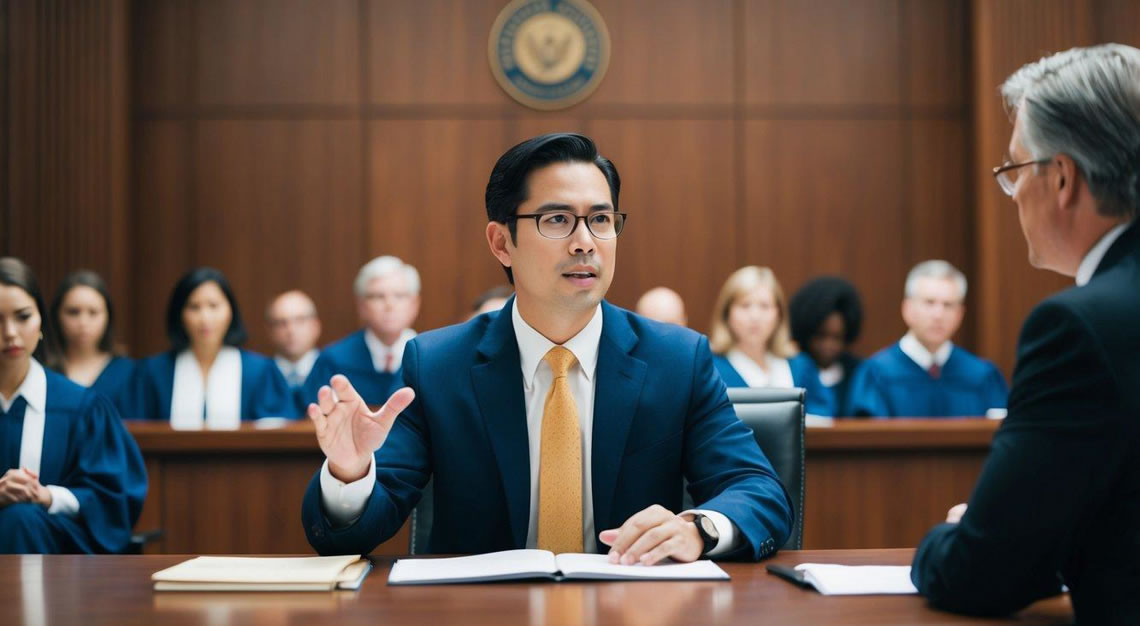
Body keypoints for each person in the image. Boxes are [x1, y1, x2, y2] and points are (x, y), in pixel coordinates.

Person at [302, 133, 792, 564]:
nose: (585, 242)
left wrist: (698, 529)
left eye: (601, 219)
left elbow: (761, 494)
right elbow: (351, 535)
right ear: (501, 242)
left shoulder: (676, 360)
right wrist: (350, 472)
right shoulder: (438, 366)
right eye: (558, 219)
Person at [911, 44, 1140, 623]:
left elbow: (978, 572)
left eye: (1013, 172)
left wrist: (953, 535)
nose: (1012, 198)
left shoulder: (1080, 328)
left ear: (1061, 177)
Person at [0, 258, 146, 553]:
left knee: (21, 519)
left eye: (23, 316)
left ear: (41, 319)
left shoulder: (81, 406)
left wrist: (47, 497)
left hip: (54, 555)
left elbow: (112, 498)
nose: (11, 332)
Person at [128, 267, 296, 426]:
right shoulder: (153, 372)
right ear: (179, 314)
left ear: (231, 311)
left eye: (214, 306)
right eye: (194, 307)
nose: (205, 318)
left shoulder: (259, 372)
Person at [847, 261, 1007, 417]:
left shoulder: (982, 375)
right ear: (907, 309)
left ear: (960, 314)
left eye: (948, 305)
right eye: (929, 303)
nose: (938, 315)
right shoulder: (877, 374)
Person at [320, 256, 420, 406]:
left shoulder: (431, 359)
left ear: (415, 304)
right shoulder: (333, 360)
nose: (389, 305)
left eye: (399, 296)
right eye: (378, 297)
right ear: (361, 306)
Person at [708, 266, 817, 397]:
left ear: (779, 314)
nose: (755, 316)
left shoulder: (800, 365)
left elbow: (823, 415)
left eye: (765, 306)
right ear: (727, 314)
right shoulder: (710, 369)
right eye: (745, 305)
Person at [45, 270, 134, 413]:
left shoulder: (129, 372)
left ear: (108, 317)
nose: (83, 322)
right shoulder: (41, 369)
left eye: (93, 312)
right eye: (73, 312)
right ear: (57, 315)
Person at [787, 276, 863, 416]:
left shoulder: (858, 373)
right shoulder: (792, 370)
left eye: (837, 338)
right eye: (820, 336)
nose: (828, 345)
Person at [266, 290, 323, 413]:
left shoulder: (335, 371)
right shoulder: (258, 377)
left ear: (316, 326)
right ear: (270, 331)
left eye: (300, 320)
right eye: (281, 323)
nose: (291, 330)